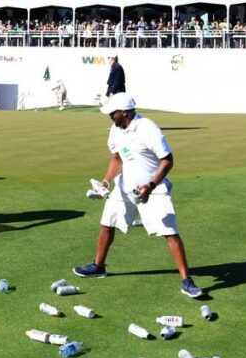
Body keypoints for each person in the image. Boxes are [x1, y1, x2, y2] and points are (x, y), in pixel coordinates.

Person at [72, 93, 204, 299]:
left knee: (170, 231)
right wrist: (106, 182)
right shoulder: (115, 130)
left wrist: (150, 185)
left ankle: (187, 281)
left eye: (113, 112)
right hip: (125, 186)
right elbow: (117, 158)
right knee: (107, 223)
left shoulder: (148, 128)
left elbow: (167, 160)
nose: (110, 116)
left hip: (154, 189)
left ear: (124, 112)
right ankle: (98, 266)